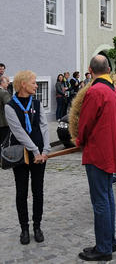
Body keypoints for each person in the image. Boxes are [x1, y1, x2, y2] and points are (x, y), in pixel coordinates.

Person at [76, 55, 116, 262]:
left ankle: (104, 247)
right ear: (108, 69)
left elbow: (85, 123)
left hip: (97, 152)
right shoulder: (114, 91)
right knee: (108, 197)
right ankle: (109, 241)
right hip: (109, 150)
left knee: (100, 201)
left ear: (90, 70)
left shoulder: (95, 91)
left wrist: (79, 141)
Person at [4, 70, 50, 245]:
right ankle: (24, 228)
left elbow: (44, 127)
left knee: (38, 191)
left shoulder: (37, 103)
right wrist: (34, 151)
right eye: (33, 82)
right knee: (21, 192)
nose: (36, 85)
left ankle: (37, 226)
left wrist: (45, 150)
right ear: (23, 84)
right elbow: (18, 132)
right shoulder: (10, 106)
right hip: (20, 155)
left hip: (40, 155)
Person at [0, 75, 11, 144]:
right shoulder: (4, 92)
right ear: (2, 83)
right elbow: (9, 106)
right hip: (3, 123)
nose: (8, 83)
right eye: (7, 82)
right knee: (4, 143)